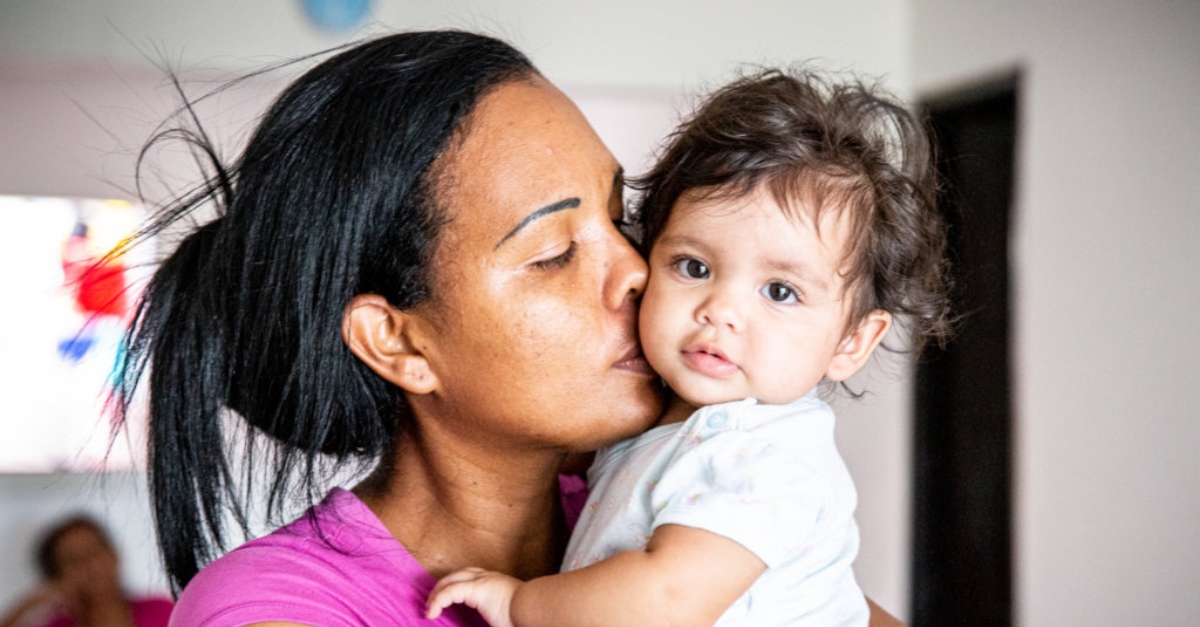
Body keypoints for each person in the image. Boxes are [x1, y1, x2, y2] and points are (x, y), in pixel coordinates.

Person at [111, 31, 907, 626]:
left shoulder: (668, 504)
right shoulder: (275, 608)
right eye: (556, 252)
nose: (638, 271)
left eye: (620, 216)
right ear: (399, 341)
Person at [426, 67, 951, 626]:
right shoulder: (664, 432)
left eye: (780, 291)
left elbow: (665, 603)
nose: (720, 309)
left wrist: (517, 604)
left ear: (853, 340)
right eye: (694, 267)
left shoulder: (762, 457)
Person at [0, 516, 172, 627]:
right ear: (57, 576)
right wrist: (31, 603)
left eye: (95, 551)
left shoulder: (163, 610)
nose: (91, 565)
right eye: (74, 560)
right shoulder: (57, 625)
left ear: (114, 555)